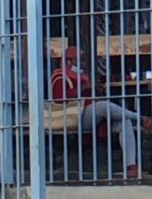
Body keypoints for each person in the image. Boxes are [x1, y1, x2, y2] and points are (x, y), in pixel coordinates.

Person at [49, 48, 143, 180]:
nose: (82, 62)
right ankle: (138, 117)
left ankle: (131, 165)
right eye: (79, 59)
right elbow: (58, 98)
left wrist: (95, 89)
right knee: (102, 106)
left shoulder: (83, 76)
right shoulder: (59, 75)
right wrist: (83, 89)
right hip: (74, 117)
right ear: (70, 61)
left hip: (91, 114)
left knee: (124, 121)